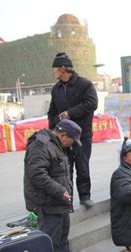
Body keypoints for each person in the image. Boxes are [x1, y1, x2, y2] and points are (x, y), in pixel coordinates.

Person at [24, 119, 85, 252]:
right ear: (63, 134)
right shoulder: (41, 145)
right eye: (71, 140)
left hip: (59, 199)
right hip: (48, 201)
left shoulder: (57, 144)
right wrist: (60, 191)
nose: (71, 144)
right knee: (50, 238)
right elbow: (37, 174)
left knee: (63, 230)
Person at [47, 52, 98, 209]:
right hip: (63, 138)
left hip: (83, 136)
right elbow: (52, 112)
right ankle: (66, 199)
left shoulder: (84, 84)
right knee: (65, 168)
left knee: (82, 166)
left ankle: (85, 197)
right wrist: (54, 127)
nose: (53, 72)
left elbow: (92, 104)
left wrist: (70, 113)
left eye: (55, 68)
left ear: (62, 69)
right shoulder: (55, 90)